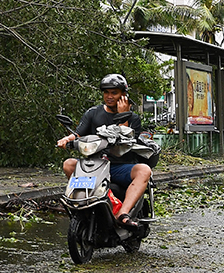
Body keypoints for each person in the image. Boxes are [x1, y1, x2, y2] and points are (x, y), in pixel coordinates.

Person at [56, 73, 153, 230]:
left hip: (120, 167)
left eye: (114, 93)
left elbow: (125, 138)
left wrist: (123, 115)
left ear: (123, 94)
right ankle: (84, 203)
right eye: (106, 92)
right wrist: (66, 140)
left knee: (144, 170)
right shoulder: (93, 113)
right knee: (69, 164)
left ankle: (123, 214)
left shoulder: (133, 118)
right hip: (96, 166)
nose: (109, 96)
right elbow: (78, 134)